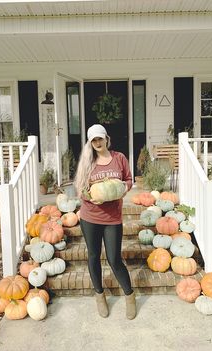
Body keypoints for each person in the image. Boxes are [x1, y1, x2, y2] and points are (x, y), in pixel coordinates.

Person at [74, 124, 136, 319]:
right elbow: (81, 189)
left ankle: (130, 296)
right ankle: (100, 296)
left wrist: (120, 190)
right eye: (94, 140)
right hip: (90, 217)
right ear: (91, 143)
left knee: (114, 259)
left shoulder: (119, 158)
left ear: (107, 139)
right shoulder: (87, 162)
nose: (98, 143)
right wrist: (91, 197)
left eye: (100, 138)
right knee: (93, 256)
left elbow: (128, 180)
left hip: (112, 218)